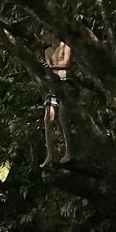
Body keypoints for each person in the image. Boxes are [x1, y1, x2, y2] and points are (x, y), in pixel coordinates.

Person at [41, 28, 73, 167]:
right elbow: (47, 67)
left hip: (67, 83)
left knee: (63, 116)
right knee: (48, 118)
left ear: (52, 33)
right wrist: (50, 67)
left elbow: (66, 64)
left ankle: (69, 151)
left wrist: (53, 66)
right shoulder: (47, 51)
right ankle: (50, 154)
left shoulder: (66, 46)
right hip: (53, 85)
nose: (44, 38)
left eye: (45, 35)